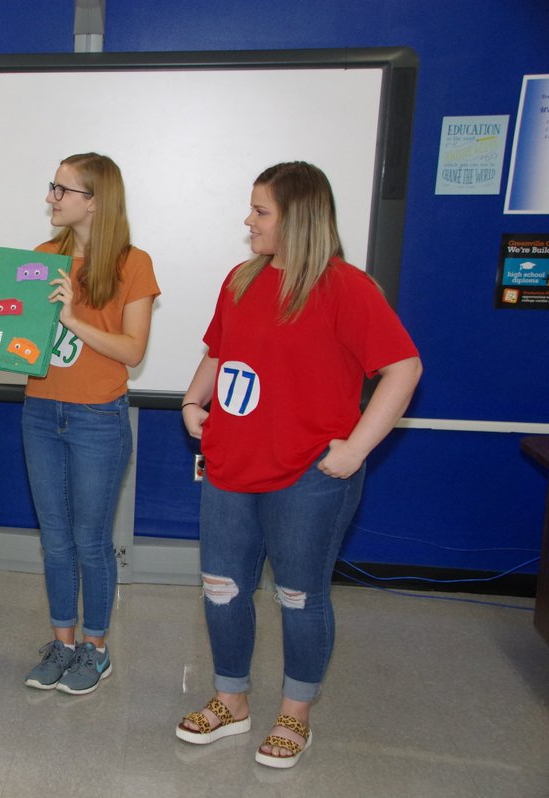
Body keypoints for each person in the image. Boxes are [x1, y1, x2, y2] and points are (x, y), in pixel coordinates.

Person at [175, 161, 421, 767]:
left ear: (298, 218)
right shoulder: (241, 279)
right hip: (231, 466)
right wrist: (191, 401)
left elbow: (404, 368)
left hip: (309, 477)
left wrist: (355, 449)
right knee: (222, 590)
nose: (248, 220)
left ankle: (295, 715)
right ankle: (231, 701)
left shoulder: (346, 288)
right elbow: (219, 351)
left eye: (261, 211)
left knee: (298, 596)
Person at [22, 153, 159, 695]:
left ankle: (95, 650)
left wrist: (72, 319)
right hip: (40, 412)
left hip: (98, 418)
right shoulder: (41, 258)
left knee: (90, 541)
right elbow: (16, 334)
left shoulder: (133, 263)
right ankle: (62, 643)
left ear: (96, 202)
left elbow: (132, 350)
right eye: (52, 186)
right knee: (55, 540)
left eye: (62, 189)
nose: (51, 197)